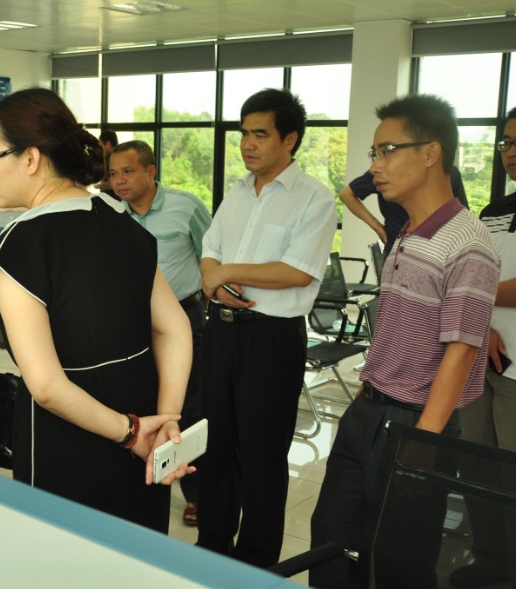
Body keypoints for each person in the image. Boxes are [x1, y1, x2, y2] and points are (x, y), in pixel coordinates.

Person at [0, 87, 193, 533]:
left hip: (67, 438)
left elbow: (47, 388)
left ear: (30, 158)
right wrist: (164, 424)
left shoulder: (21, 245)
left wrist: (132, 433)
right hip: (143, 414)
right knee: (137, 548)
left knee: (68, 554)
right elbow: (174, 328)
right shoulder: (121, 220)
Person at [309, 94, 500, 589]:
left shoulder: (469, 243)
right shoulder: (408, 232)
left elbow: (462, 351)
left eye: (387, 150)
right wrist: (365, 396)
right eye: (374, 153)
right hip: (368, 410)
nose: (375, 166)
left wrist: (422, 443)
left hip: (416, 421)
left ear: (431, 152)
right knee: (331, 542)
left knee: (399, 560)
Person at [196, 88, 337, 567]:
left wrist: (226, 272)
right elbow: (210, 249)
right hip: (222, 331)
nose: (247, 144)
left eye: (260, 134)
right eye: (243, 134)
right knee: (216, 445)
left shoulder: (314, 198)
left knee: (262, 454)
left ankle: (255, 563)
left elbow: (298, 271)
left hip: (271, 339)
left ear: (289, 139)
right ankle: (211, 547)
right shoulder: (237, 191)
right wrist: (215, 280)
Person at [108, 139, 211, 526]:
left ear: (151, 172)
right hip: (129, 323)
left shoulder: (186, 207)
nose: (119, 180)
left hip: (183, 318)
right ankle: (143, 477)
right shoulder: (110, 214)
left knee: (186, 407)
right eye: (113, 173)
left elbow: (210, 258)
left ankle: (196, 493)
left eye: (128, 171)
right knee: (136, 401)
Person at [450, 102, 516, 589]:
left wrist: (475, 296)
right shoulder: (492, 212)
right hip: (480, 359)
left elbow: (475, 284)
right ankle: (490, 563)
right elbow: (472, 272)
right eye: (507, 143)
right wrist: (481, 325)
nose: (511, 151)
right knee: (478, 469)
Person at [338, 164, 468, 255]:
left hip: (436, 252)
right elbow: (347, 194)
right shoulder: (384, 170)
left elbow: (462, 217)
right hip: (398, 249)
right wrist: (378, 228)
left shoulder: (449, 172)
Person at [95, 129, 119, 198]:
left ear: (108, 144)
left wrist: (103, 185)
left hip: (116, 198)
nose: (100, 148)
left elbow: (114, 182)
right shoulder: (107, 157)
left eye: (101, 144)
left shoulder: (117, 157)